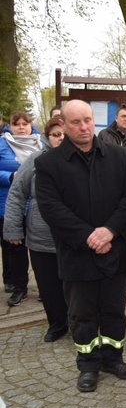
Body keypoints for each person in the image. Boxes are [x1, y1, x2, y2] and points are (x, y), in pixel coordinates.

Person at [35, 100, 126, 393]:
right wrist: (88, 237)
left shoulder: (118, 156)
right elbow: (51, 209)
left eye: (87, 120)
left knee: (114, 311)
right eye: (75, 122)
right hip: (77, 254)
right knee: (82, 315)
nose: (83, 127)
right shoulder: (47, 164)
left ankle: (113, 358)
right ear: (63, 124)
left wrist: (109, 232)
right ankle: (88, 364)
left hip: (115, 251)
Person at [3, 118, 68, 340]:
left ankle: (79, 322)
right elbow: (16, 193)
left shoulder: (80, 159)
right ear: (47, 138)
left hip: (73, 237)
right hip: (42, 236)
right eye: (55, 134)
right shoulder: (36, 160)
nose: (60, 138)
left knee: (74, 285)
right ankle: (57, 324)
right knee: (49, 287)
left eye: (63, 134)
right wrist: (12, 229)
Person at [1, 111, 43, 305]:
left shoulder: (40, 143)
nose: (21, 127)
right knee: (15, 248)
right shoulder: (2, 144)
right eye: (16, 124)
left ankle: (45, 286)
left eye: (24, 123)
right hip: (9, 204)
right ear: (9, 126)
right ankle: (19, 288)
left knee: (39, 249)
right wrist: (9, 176)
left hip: (36, 207)